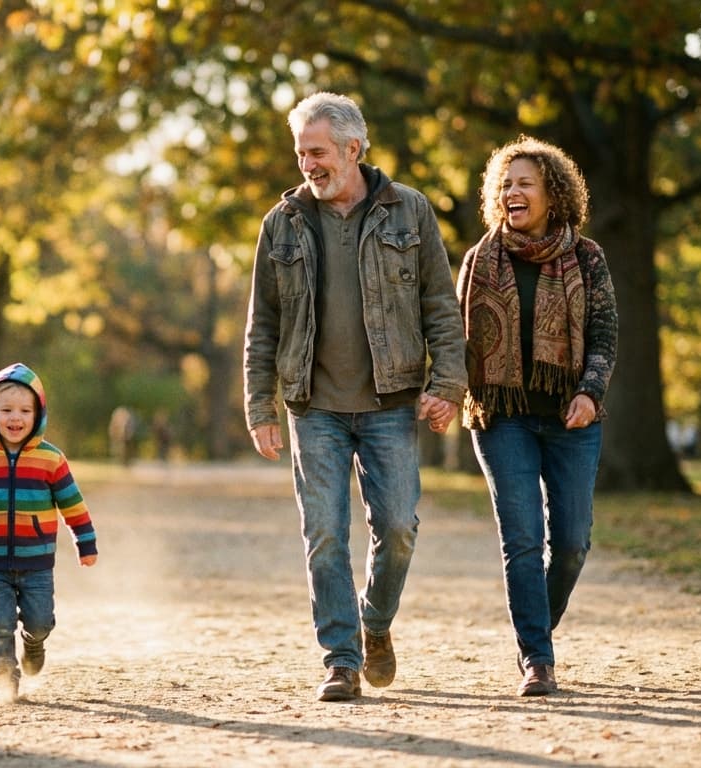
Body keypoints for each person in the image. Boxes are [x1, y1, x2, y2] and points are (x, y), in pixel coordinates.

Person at [242, 92, 468, 702]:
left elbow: (440, 306)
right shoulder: (282, 222)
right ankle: (341, 659)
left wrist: (447, 385)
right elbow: (263, 324)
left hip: (390, 401)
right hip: (312, 406)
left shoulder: (409, 210)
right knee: (324, 534)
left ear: (353, 148)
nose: (307, 165)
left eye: (316, 152)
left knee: (398, 527)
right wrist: (260, 407)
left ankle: (375, 620)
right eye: (301, 153)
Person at [456, 136, 617, 696]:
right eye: (505, 184)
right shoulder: (479, 259)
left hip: (573, 419)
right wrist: (443, 392)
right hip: (503, 420)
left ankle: (535, 627)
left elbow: (604, 335)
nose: (512, 192)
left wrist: (590, 394)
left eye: (525, 183)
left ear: (553, 193)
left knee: (572, 543)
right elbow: (455, 340)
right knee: (522, 540)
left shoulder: (587, 257)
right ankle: (537, 659)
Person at [0, 362, 98, 703]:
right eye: (6, 409)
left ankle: (34, 644)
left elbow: (72, 504)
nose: (15, 418)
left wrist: (85, 542)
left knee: (40, 622)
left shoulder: (51, 460)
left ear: (38, 414)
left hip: (37, 562)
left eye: (25, 410)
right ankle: (5, 682)